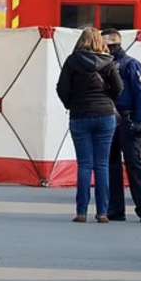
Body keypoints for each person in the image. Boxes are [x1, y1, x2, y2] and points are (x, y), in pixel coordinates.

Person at [56, 28, 123, 223]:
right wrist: (107, 101)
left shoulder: (72, 61)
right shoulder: (109, 62)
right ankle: (102, 212)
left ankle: (81, 212)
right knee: (102, 165)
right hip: (104, 116)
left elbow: (61, 88)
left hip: (80, 116)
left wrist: (71, 103)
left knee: (84, 165)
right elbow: (119, 88)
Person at [101, 29, 141, 223]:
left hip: (127, 118)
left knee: (133, 163)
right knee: (112, 164)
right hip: (110, 118)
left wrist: (139, 120)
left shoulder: (131, 65)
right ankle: (116, 209)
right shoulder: (105, 65)